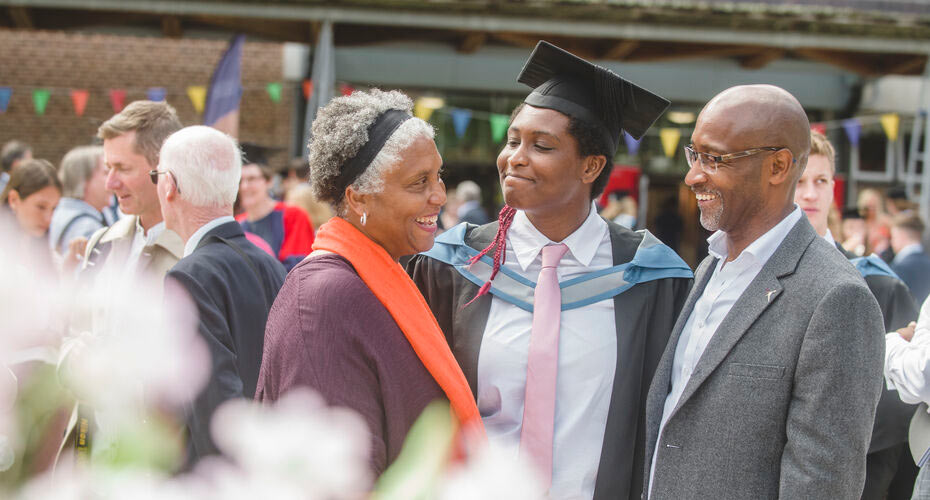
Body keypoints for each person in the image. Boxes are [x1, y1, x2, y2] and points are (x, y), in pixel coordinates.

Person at [408, 41, 692, 500]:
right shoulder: (454, 266)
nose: (514, 157)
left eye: (541, 145)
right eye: (512, 140)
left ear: (591, 166)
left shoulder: (653, 281)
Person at [643, 84, 885, 499]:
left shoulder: (837, 297)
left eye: (715, 158)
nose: (692, 175)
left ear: (778, 167)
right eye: (694, 154)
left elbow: (822, 482)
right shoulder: (709, 268)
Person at [256, 89, 482, 475]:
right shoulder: (325, 300)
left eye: (439, 176)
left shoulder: (378, 276)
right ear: (359, 199)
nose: (440, 195)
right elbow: (335, 478)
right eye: (419, 182)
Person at [796, 131, 919, 499]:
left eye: (820, 181)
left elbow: (901, 405)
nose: (810, 194)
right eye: (799, 181)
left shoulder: (879, 285)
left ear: (833, 187)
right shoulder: (750, 279)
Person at [156, 125, 286, 463]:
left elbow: (212, 401)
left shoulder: (188, 277)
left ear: (169, 185)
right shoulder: (270, 264)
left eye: (156, 175)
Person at [236, 161, 315, 271]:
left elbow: (297, 268)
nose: (244, 187)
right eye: (240, 181)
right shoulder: (237, 223)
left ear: (269, 181)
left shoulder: (293, 216)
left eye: (251, 179)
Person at [1, 158, 61, 269]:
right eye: (41, 207)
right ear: (13, 200)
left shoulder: (49, 257)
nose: (49, 219)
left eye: (54, 208)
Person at [49, 146, 108, 256]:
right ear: (84, 179)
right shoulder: (88, 227)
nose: (111, 180)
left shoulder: (58, 212)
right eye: (106, 173)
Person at [891, 213, 930, 305]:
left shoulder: (899, 267)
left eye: (893, 237)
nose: (891, 242)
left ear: (902, 235)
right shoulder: (928, 262)